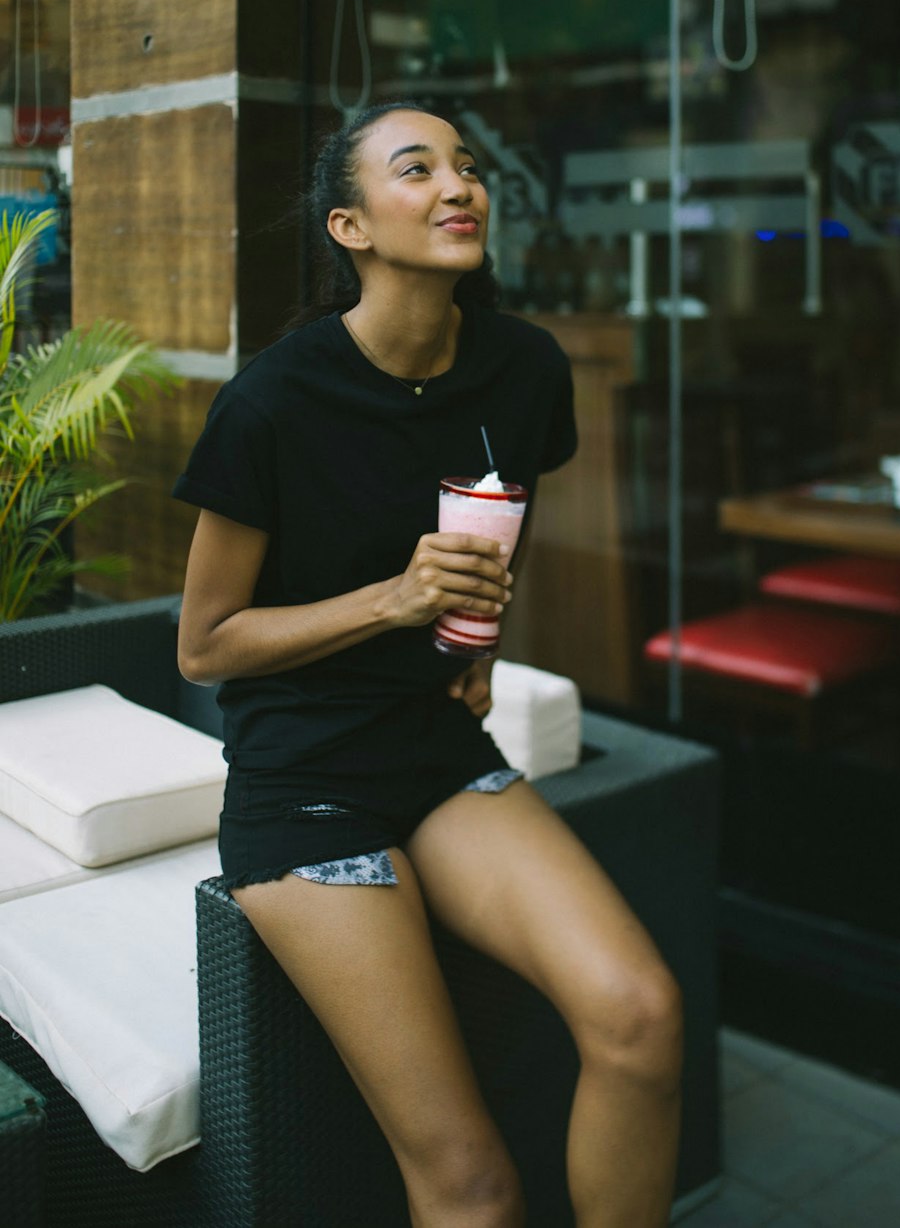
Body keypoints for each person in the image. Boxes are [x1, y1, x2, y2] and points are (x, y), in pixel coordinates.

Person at [174, 101, 683, 1228]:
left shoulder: (523, 368)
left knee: (641, 1017)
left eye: (467, 165)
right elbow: (204, 644)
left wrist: (478, 642)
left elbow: (508, 511)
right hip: (306, 786)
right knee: (472, 1186)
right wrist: (393, 600)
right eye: (420, 170)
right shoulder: (271, 403)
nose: (460, 185)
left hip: (440, 753)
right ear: (350, 225)